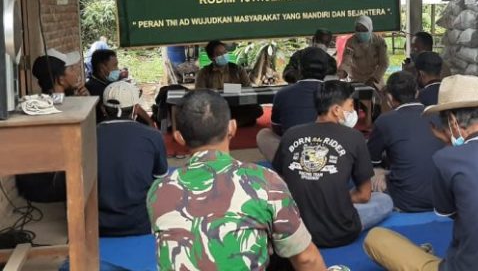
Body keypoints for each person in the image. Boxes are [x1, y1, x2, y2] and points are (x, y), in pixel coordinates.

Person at [364, 75, 478, 271]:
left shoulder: (447, 159)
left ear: (452, 122)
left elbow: (450, 212)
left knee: (376, 238)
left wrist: (448, 145)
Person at [148, 89, 328, 270]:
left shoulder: (159, 190)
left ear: (179, 137)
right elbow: (306, 259)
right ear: (232, 127)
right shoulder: (265, 181)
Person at [273, 81, 393, 248]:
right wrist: (336, 198)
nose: (353, 112)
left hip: (299, 229)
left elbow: (279, 180)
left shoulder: (291, 134)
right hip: (341, 231)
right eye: (351, 106)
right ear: (336, 110)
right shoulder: (354, 137)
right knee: (384, 200)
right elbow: (364, 195)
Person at [16, 49, 89, 203]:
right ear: (61, 80)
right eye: (71, 69)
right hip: (48, 187)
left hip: (36, 188)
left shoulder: (48, 101)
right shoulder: (57, 108)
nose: (76, 72)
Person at [367, 72, 445, 212]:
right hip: (441, 199)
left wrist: (382, 173)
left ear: (389, 98)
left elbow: (371, 162)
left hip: (406, 200)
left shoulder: (385, 120)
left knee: (370, 179)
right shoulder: (438, 116)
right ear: (417, 93)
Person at [98, 81, 167, 236]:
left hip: (97, 225)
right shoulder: (153, 136)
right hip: (139, 223)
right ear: (136, 109)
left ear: (103, 108)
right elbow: (160, 179)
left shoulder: (85, 136)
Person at [257, 47, 328, 161]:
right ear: (326, 69)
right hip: (329, 151)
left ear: (299, 68)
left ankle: (284, 165)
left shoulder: (282, 94)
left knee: (263, 134)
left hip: (293, 154)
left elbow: (277, 129)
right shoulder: (337, 93)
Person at [195, 40, 262, 126]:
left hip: (236, 105)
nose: (224, 55)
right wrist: (227, 90)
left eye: (225, 52)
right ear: (211, 57)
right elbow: (200, 94)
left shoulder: (238, 69)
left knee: (257, 109)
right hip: (215, 106)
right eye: (219, 54)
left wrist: (224, 89)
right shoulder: (204, 72)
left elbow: (248, 89)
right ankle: (234, 123)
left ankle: (224, 124)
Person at [338, 15, 389, 88]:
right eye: (358, 30)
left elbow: (384, 63)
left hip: (376, 79)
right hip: (356, 79)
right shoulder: (351, 42)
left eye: (364, 30)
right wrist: (342, 72)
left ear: (370, 28)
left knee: (380, 94)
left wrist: (374, 78)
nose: (361, 32)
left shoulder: (379, 41)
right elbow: (347, 60)